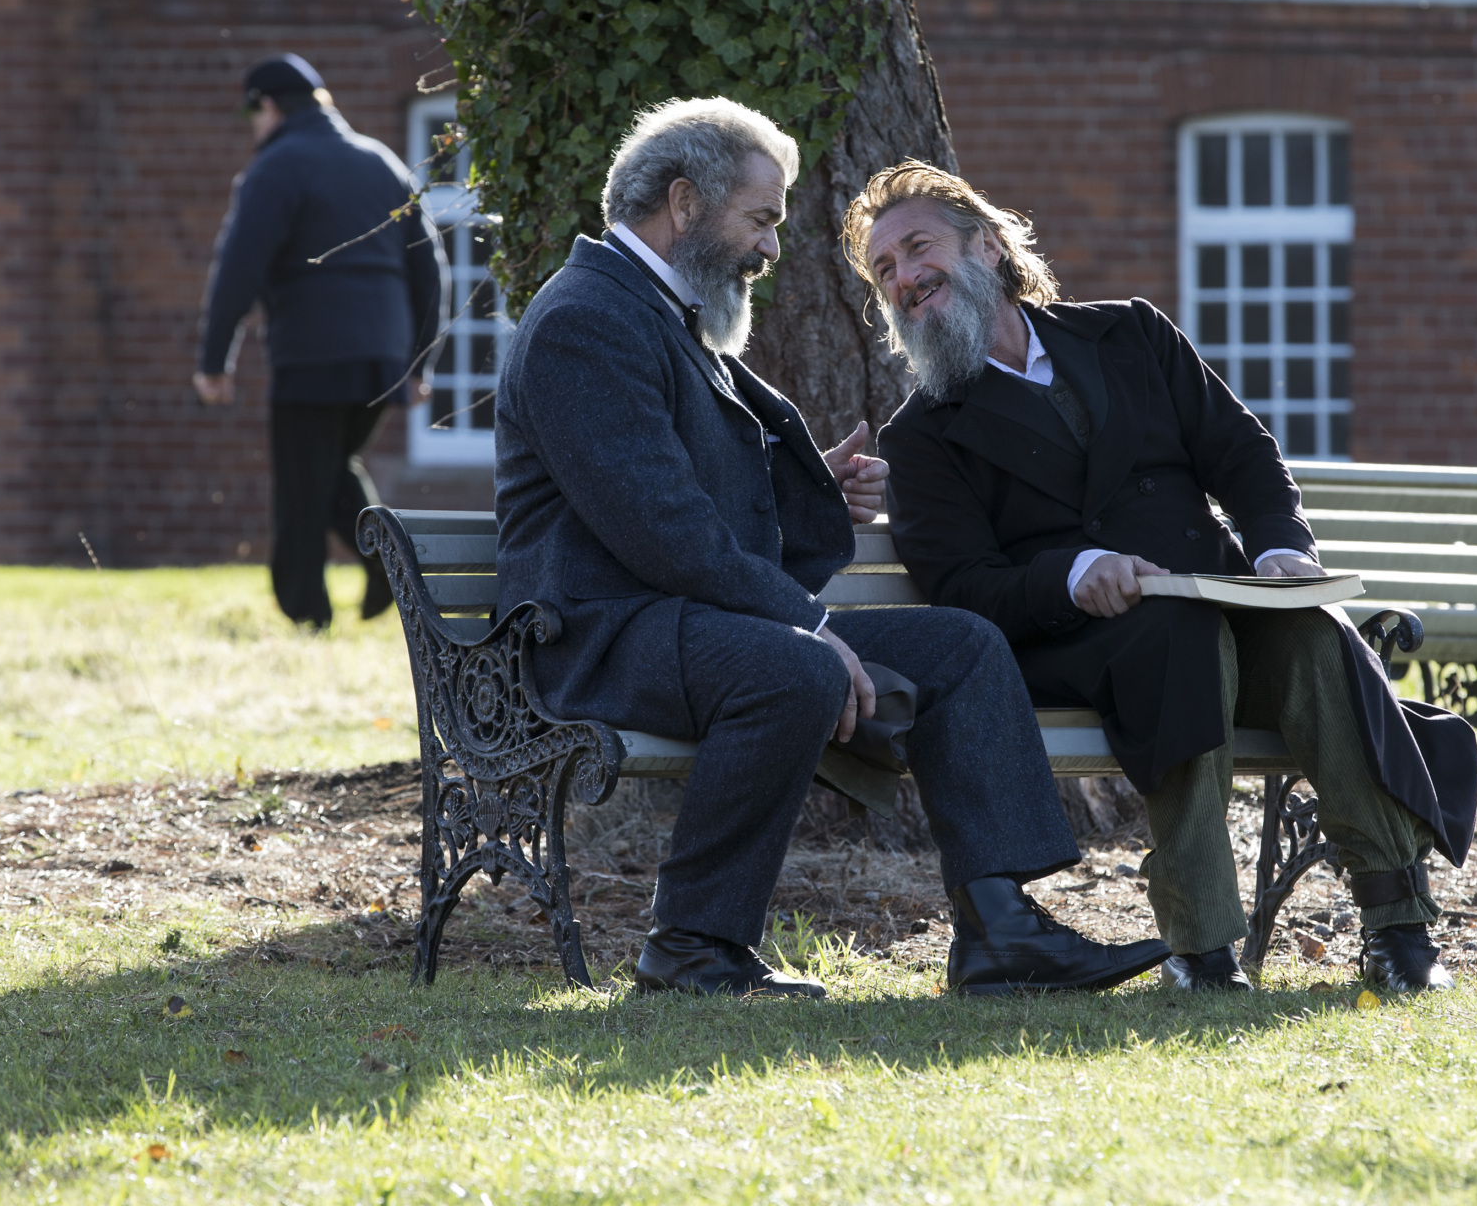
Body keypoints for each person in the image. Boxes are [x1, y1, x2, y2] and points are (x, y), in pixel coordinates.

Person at [493, 97, 1169, 998]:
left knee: (962, 646)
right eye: (762, 219)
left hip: (674, 619)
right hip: (593, 636)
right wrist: (809, 630)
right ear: (685, 204)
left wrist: (814, 496)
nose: (772, 249)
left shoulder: (661, 315)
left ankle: (1001, 932)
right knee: (794, 669)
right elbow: (661, 529)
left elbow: (689, 504)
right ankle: (692, 944)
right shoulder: (588, 319)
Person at [846, 161, 1477, 995]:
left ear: (989, 247)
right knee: (1177, 640)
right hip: (1074, 647)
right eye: (883, 271)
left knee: (1310, 629)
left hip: (1217, 602)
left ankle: (1398, 927)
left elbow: (1243, 454)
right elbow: (962, 588)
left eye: (917, 248)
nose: (904, 279)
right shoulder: (925, 434)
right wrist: (1073, 574)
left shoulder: (1130, 336)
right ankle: (1204, 948)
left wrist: (1279, 548)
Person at [195, 55, 448, 629]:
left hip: (313, 352)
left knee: (302, 484)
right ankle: (388, 566)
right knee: (330, 467)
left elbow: (237, 268)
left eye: (251, 112)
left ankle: (307, 610)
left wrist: (214, 361)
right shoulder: (381, 162)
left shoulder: (276, 167)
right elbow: (430, 268)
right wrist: (417, 359)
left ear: (267, 105)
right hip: (382, 358)